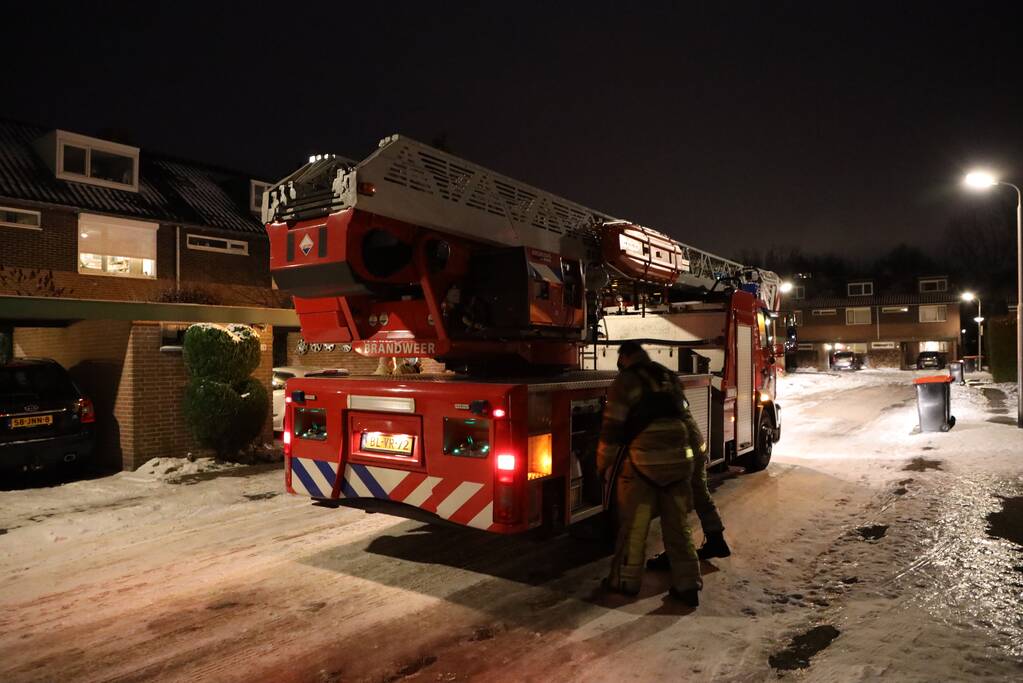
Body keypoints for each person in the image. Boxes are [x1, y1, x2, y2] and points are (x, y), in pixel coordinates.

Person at [596, 341, 701, 606]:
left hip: (644, 466)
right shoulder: (667, 375)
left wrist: (602, 464)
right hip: (679, 463)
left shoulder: (625, 382)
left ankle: (625, 582)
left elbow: (612, 428)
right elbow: (686, 417)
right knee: (678, 528)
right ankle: (687, 586)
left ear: (625, 357)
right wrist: (698, 455)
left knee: (634, 527)